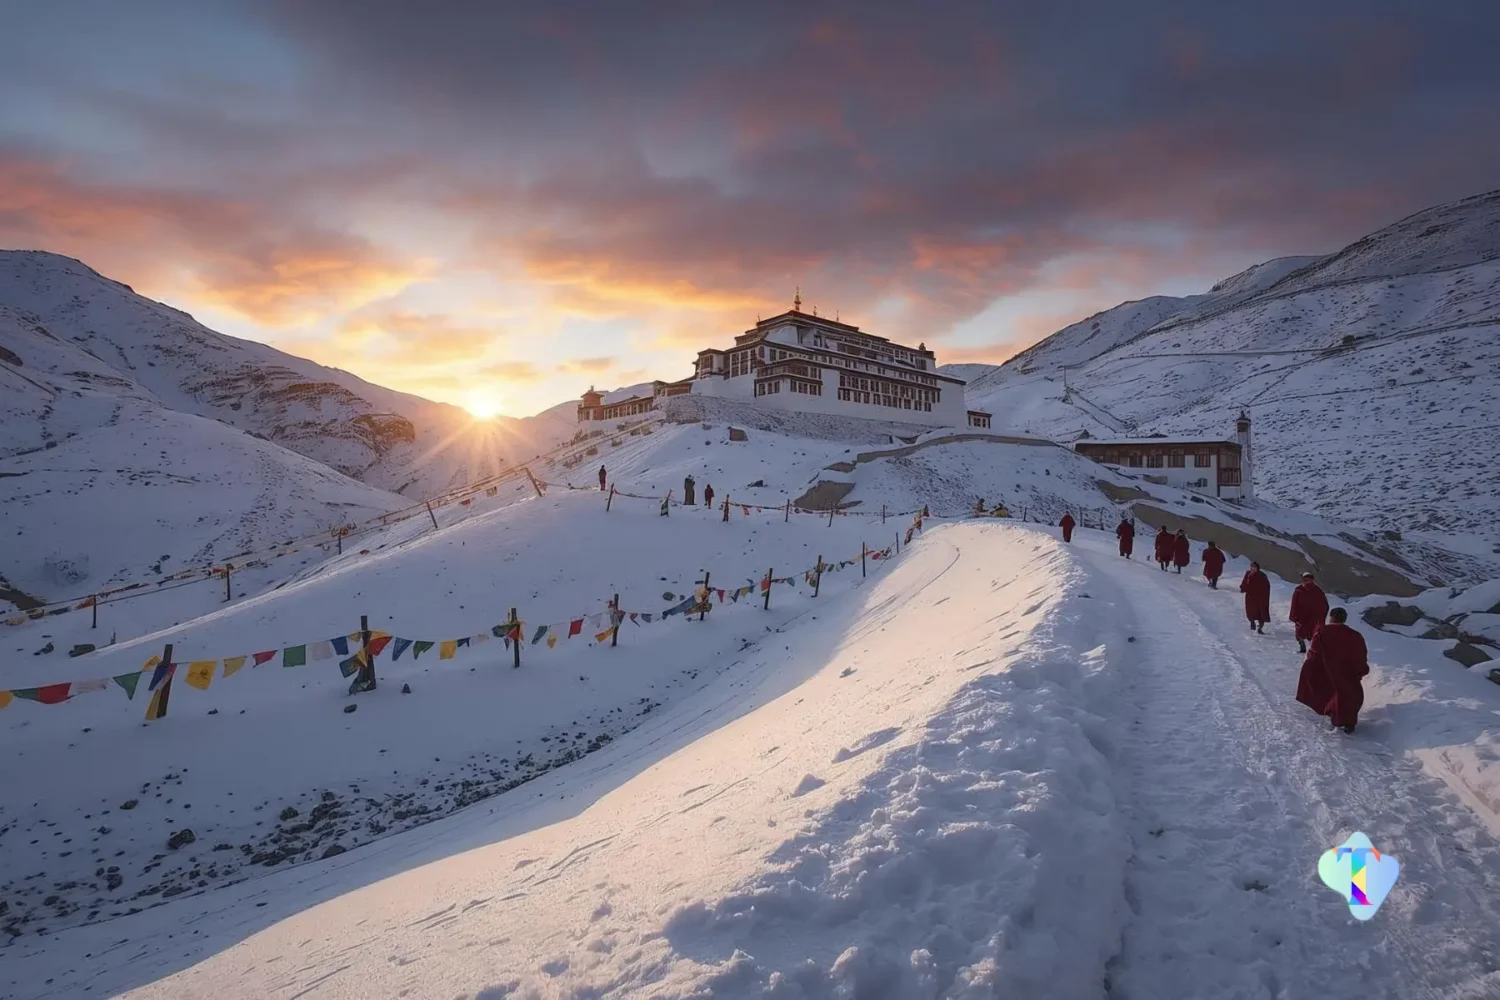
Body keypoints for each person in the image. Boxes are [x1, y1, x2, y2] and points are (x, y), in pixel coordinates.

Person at [1295, 607, 1369, 733]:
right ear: (1344, 619)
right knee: (1349, 695)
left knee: (1326, 691)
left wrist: (1310, 664)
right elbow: (1360, 656)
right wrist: (1361, 671)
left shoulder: (1322, 631)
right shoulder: (1356, 636)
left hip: (1325, 671)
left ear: (1331, 617)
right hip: (1346, 673)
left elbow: (1314, 652)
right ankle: (1347, 722)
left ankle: (1330, 712)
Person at [1289, 571, 1329, 654]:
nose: (1307, 582)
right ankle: (1307, 648)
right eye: (1306, 580)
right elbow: (1294, 604)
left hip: (1311, 617)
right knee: (1306, 633)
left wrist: (1294, 616)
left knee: (1307, 633)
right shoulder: (1301, 590)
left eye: (1309, 580)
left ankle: (1309, 649)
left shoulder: (1316, 591)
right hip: (1306, 617)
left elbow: (1324, 605)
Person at [1239, 561, 1271, 632]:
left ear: (1257, 568)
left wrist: (1263, 594)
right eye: (1251, 567)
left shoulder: (1262, 576)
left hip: (1260, 598)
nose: (1252, 569)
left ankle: (1260, 628)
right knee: (1251, 611)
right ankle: (1252, 622)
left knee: (1260, 612)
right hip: (1250, 597)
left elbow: (1266, 586)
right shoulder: (1248, 574)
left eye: (1254, 567)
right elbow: (1244, 582)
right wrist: (1243, 587)